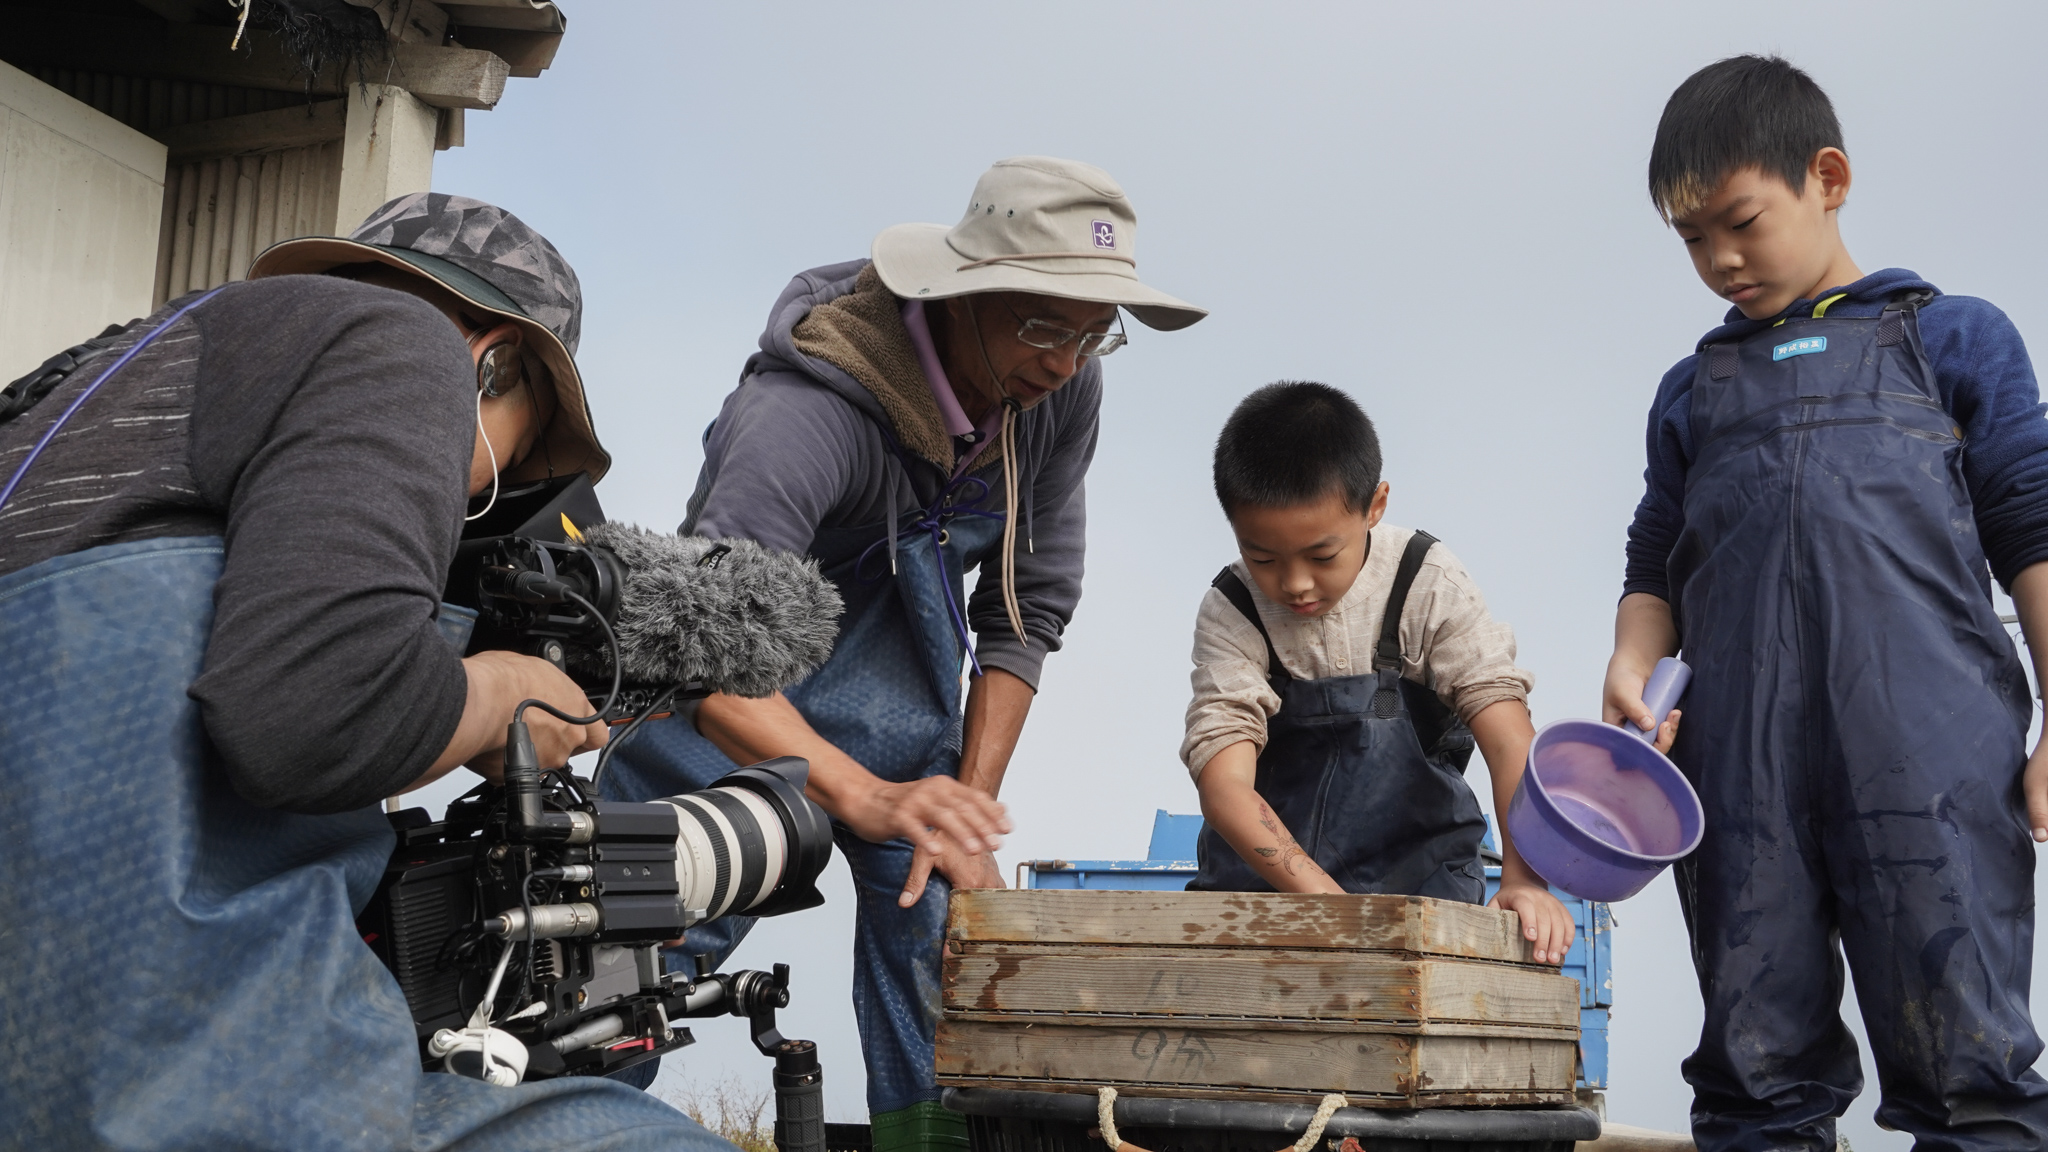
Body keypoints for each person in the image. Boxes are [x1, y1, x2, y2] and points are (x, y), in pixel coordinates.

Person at [0, 193, 730, 1150]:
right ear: (497, 363)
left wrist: (435, 710)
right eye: (503, 465)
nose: (476, 494)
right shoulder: (402, 342)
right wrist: (499, 694)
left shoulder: (90, 383)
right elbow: (308, 718)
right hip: (161, 1081)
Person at [606, 156, 1204, 1146]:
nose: (1065, 360)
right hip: (720, 721)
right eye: (1044, 324)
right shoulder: (802, 417)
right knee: (626, 978)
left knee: (941, 997)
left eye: (1095, 331)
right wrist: (868, 797)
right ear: (961, 292)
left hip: (903, 732)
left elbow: (1028, 610)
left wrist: (955, 811)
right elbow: (702, 650)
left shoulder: (1061, 389)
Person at [1608, 55, 2048, 1149]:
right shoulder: (1691, 389)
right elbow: (1656, 553)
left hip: (1931, 771)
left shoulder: (1952, 340)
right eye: (1689, 239)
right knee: (1755, 1082)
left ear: (1827, 177)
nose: (1716, 260)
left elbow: (2032, 532)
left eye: (1739, 222)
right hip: (1738, 777)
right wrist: (1630, 657)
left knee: (1972, 1076)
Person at [1181, 382, 1576, 963]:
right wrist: (1334, 913)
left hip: (1421, 893)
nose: (1294, 584)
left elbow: (1508, 737)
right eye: (1263, 557)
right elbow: (1225, 785)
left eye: (1321, 556)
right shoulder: (1233, 607)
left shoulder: (1426, 581)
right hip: (1262, 903)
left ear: (1375, 505)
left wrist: (1523, 879)